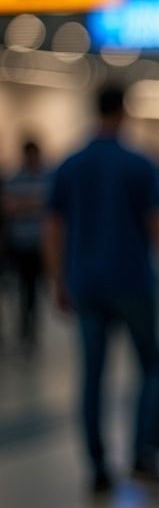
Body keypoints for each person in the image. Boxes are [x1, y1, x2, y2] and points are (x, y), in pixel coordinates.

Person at [45, 84, 159, 494]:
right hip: (133, 281)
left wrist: (58, 279)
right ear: (125, 111)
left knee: (93, 376)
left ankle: (97, 467)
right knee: (151, 366)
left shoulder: (70, 165)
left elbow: (54, 228)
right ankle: (143, 454)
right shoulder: (139, 164)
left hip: (86, 283)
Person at [5, 139, 51, 353]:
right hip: (21, 243)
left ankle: (31, 329)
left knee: (36, 289)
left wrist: (25, 203)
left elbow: (51, 206)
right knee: (24, 289)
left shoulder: (48, 177)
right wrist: (34, 203)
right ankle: (25, 329)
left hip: (41, 243)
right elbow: (9, 206)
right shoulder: (14, 178)